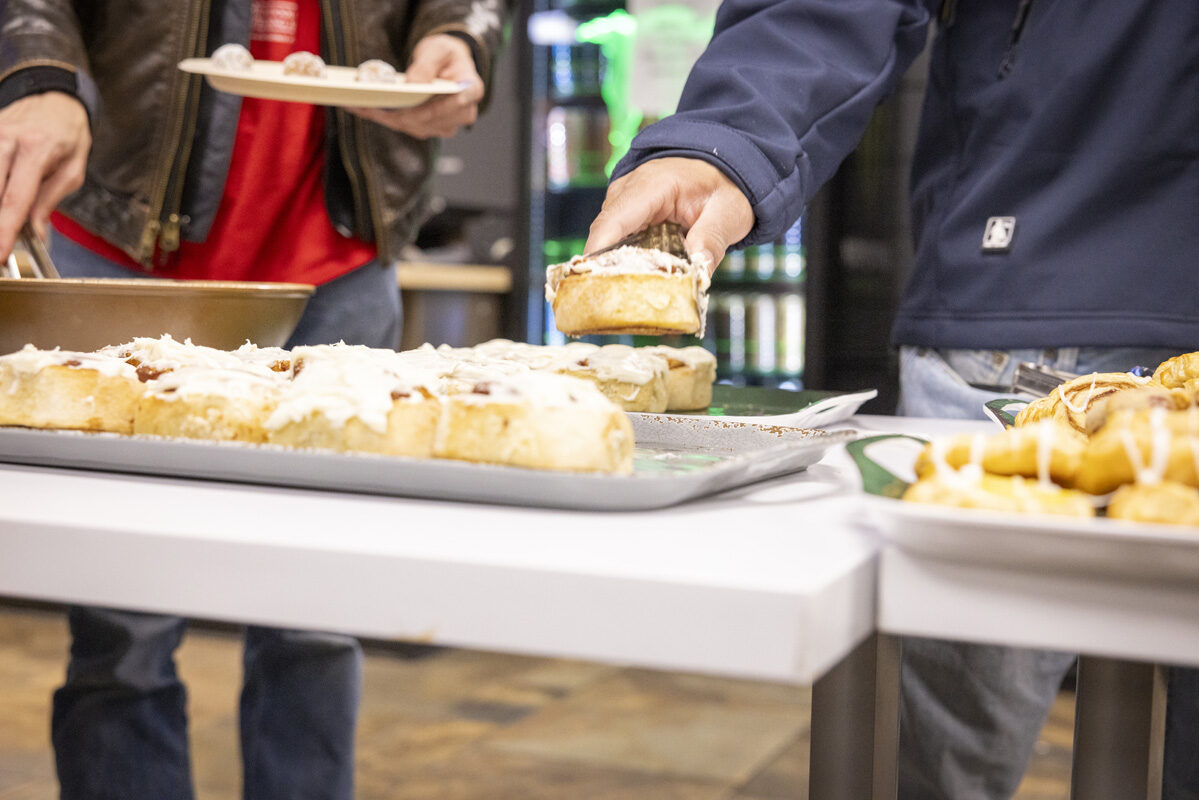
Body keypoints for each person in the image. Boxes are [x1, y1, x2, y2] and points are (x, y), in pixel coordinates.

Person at [584, 1, 1199, 798]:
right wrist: (723, 146)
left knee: (939, 767)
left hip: (1026, 286)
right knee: (935, 767)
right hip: (1032, 304)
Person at [0, 0, 506, 797]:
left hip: (334, 255)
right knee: (121, 632)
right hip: (129, 243)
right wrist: (38, 70)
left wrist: (455, 33)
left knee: (315, 624)